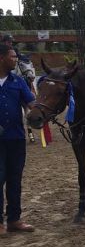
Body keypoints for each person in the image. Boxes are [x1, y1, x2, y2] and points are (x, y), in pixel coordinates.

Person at [0, 44, 36, 234]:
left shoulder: (18, 82)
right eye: (13, 56)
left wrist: (41, 111)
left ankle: (14, 219)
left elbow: (31, 103)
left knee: (15, 179)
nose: (16, 59)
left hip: (16, 138)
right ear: (1, 58)